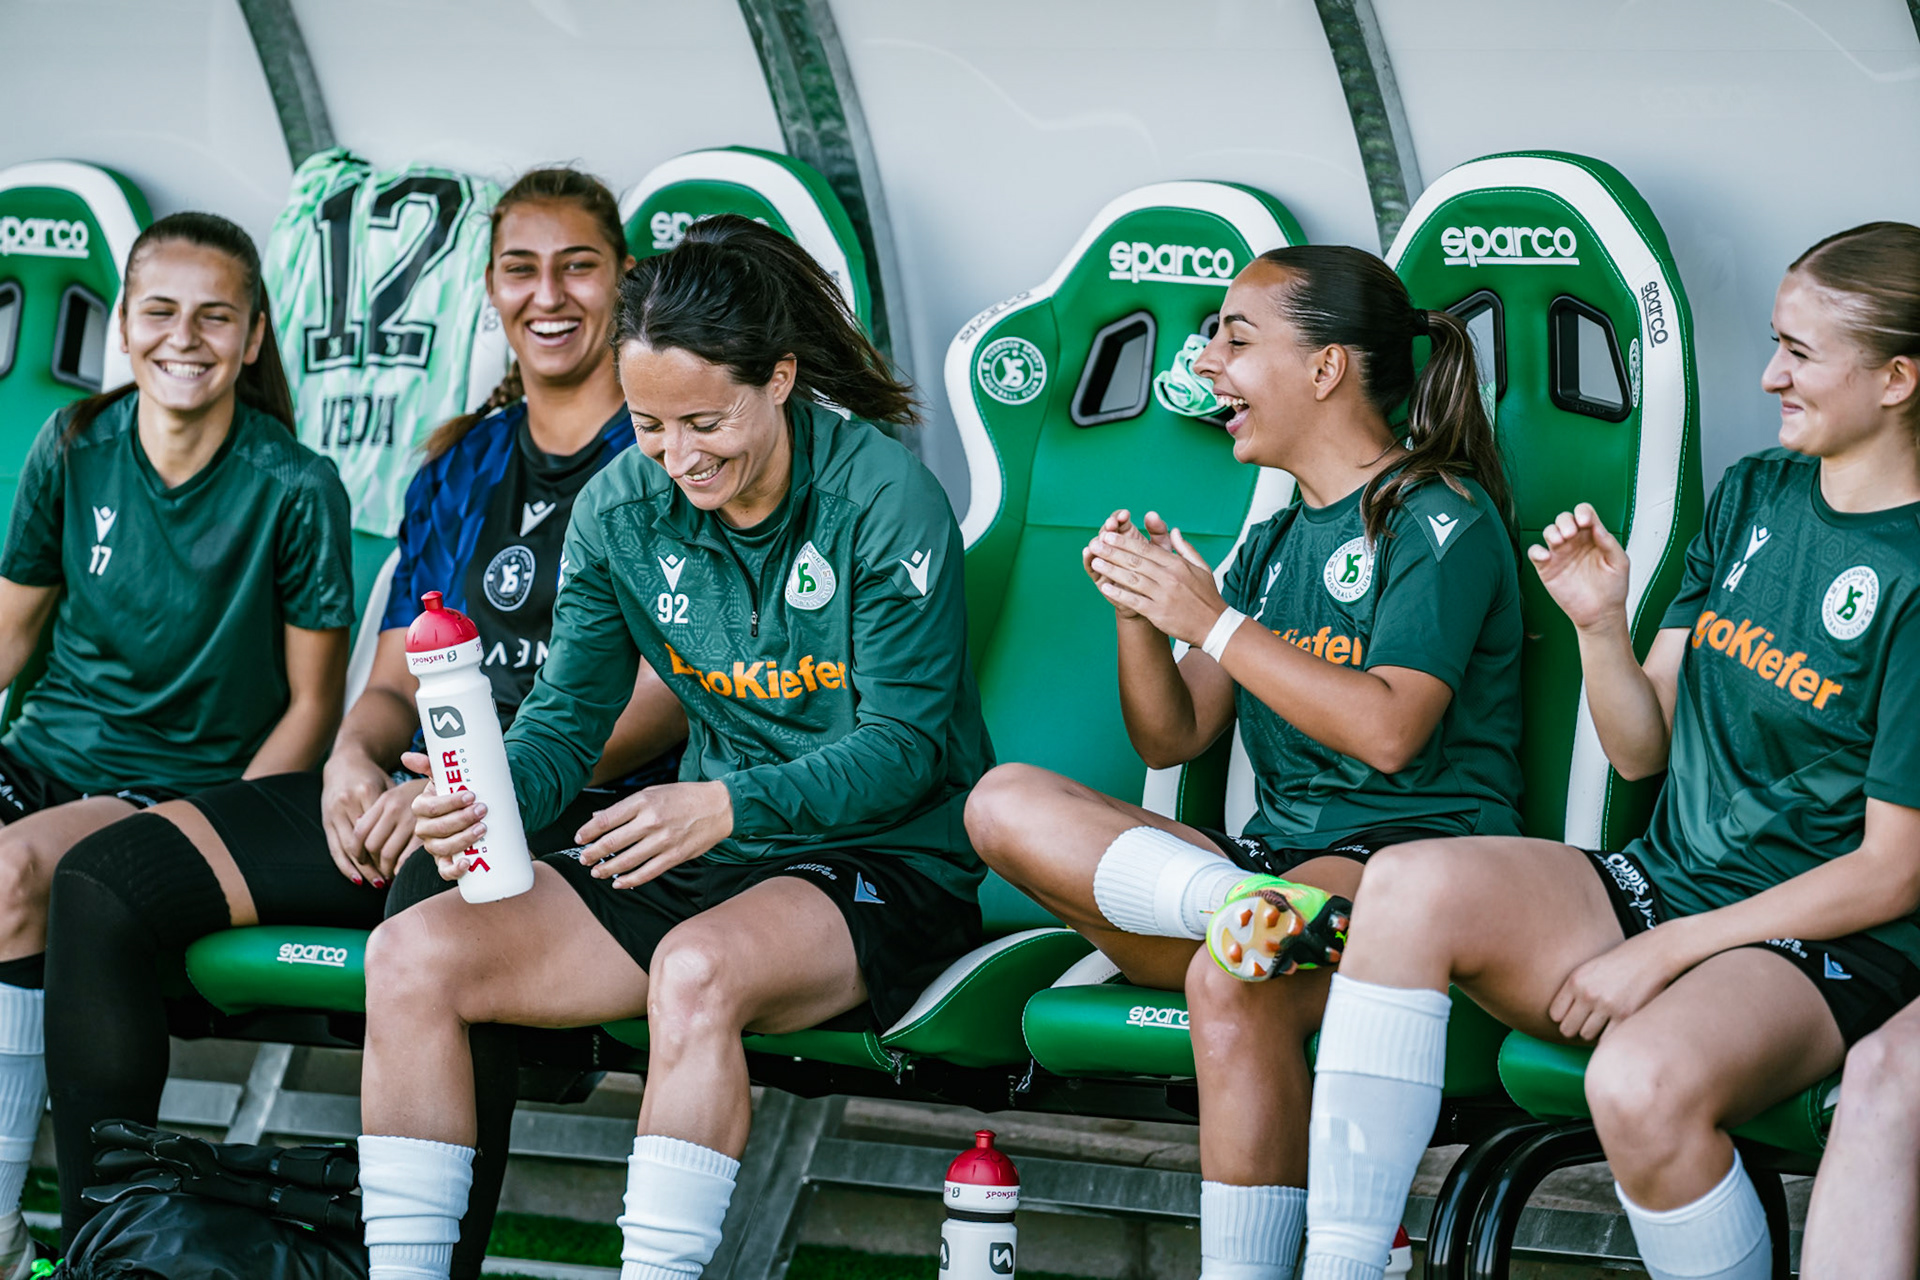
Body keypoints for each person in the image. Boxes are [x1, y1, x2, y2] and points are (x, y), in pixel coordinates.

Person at [41, 169, 686, 1269]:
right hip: (420, 793)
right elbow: (392, 682)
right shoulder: (461, 463)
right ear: (489, 288)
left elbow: (667, 692)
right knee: (102, 882)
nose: (547, 294)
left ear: (622, 283)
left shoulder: (666, 445)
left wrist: (477, 783)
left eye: (577, 266)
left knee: (445, 899)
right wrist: (350, 761)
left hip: (585, 810)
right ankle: (107, 1245)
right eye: (520, 268)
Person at [353, 214, 993, 1280]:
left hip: (888, 859)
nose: (680, 456)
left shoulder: (884, 498)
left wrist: (727, 802)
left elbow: (908, 747)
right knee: (409, 955)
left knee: (695, 971)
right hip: (714, 849)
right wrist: (488, 790)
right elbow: (567, 716)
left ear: (780, 378)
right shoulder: (619, 507)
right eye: (650, 424)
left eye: (706, 421)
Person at [1297, 221, 1920, 1280]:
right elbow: (1642, 751)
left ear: (1898, 379)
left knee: (1635, 1082)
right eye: (1775, 343)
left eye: (1800, 353)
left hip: (1823, 939)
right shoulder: (1756, 493)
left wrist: (1667, 952)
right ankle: (1342, 1266)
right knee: (1404, 885)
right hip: (1666, 883)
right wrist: (1598, 625)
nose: (1769, 375)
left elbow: (1892, 870)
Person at [964, 243, 1523, 1280]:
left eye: (1235, 337)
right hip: (1268, 877)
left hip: (1403, 871)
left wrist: (1213, 621)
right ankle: (1241, 908)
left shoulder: (1440, 514)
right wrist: (1143, 615)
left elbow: (1391, 730)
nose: (1207, 362)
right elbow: (1173, 734)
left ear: (1326, 368)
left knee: (1233, 971)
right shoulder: (1273, 540)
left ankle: (1256, 923)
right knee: (1002, 802)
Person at [0, 211, 355, 1277]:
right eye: (159, 310)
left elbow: (313, 704)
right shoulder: (73, 443)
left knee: (9, 876)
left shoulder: (296, 485)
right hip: (45, 750)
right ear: (123, 326)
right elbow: (10, 635)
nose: (184, 337)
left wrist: (222, 834)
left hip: (169, 788)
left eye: (215, 316)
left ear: (253, 338)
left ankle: (6, 1237)